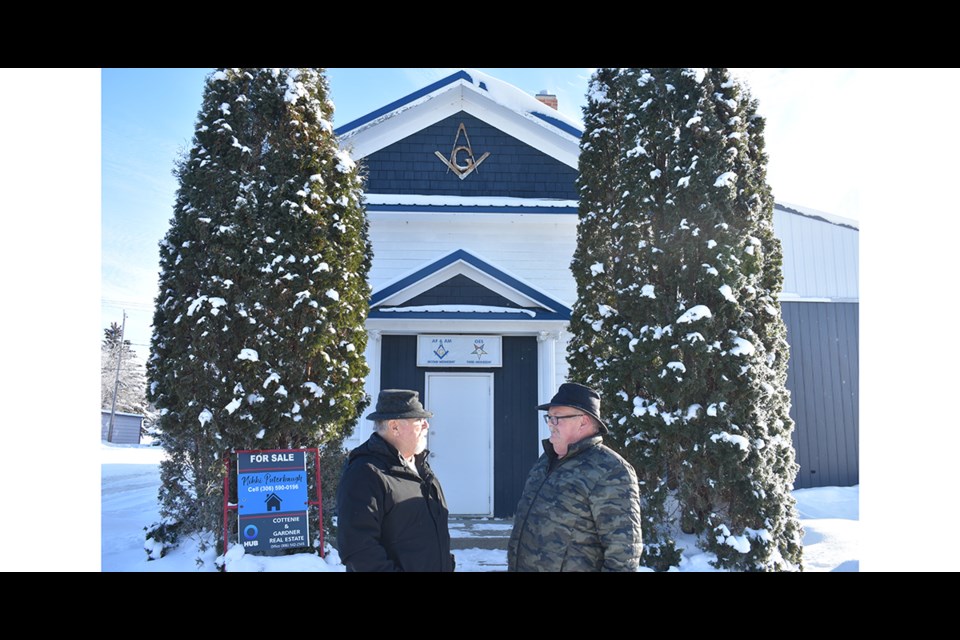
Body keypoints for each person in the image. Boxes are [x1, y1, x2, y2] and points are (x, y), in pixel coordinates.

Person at [508, 382, 643, 572]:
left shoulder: (610, 470)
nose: (550, 424)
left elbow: (623, 554)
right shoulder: (546, 461)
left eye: (557, 418)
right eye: (549, 417)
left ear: (583, 421)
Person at [335, 389, 455, 572]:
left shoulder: (421, 468)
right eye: (418, 420)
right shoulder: (365, 473)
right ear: (394, 427)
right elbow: (359, 551)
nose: (426, 426)